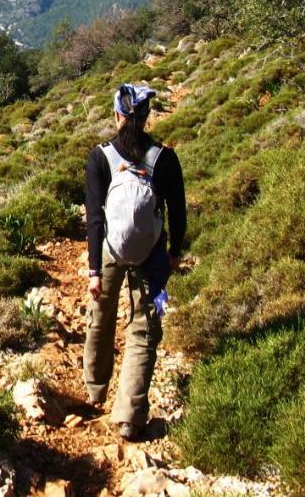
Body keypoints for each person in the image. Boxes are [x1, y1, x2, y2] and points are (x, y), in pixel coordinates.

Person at [82, 82, 186, 441]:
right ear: (146, 117)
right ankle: (129, 414)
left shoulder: (100, 158)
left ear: (116, 115)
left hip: (110, 249)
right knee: (143, 329)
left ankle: (94, 390)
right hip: (152, 253)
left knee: (101, 317)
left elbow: (94, 218)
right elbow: (178, 212)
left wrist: (94, 271)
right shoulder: (164, 158)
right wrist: (174, 254)